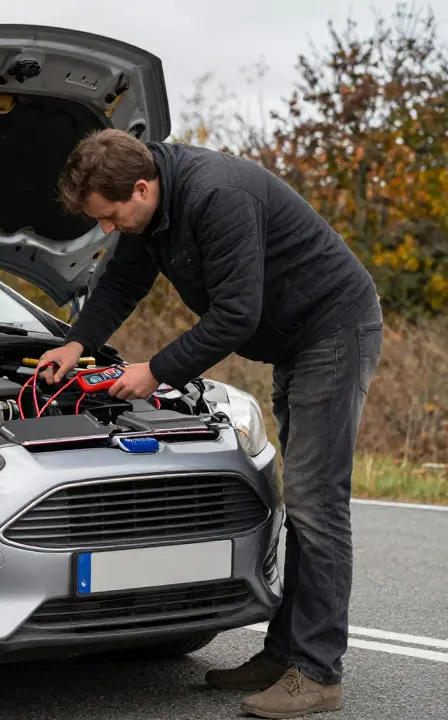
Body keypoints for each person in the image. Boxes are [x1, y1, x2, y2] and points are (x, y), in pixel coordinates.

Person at [38, 129, 383, 719]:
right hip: (295, 342)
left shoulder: (216, 195)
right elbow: (121, 283)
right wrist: (75, 345)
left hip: (332, 331)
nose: (108, 229)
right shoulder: (149, 211)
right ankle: (283, 655)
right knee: (301, 501)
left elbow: (236, 314)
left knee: (315, 503)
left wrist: (157, 372)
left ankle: (318, 671)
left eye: (112, 216)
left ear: (142, 188)